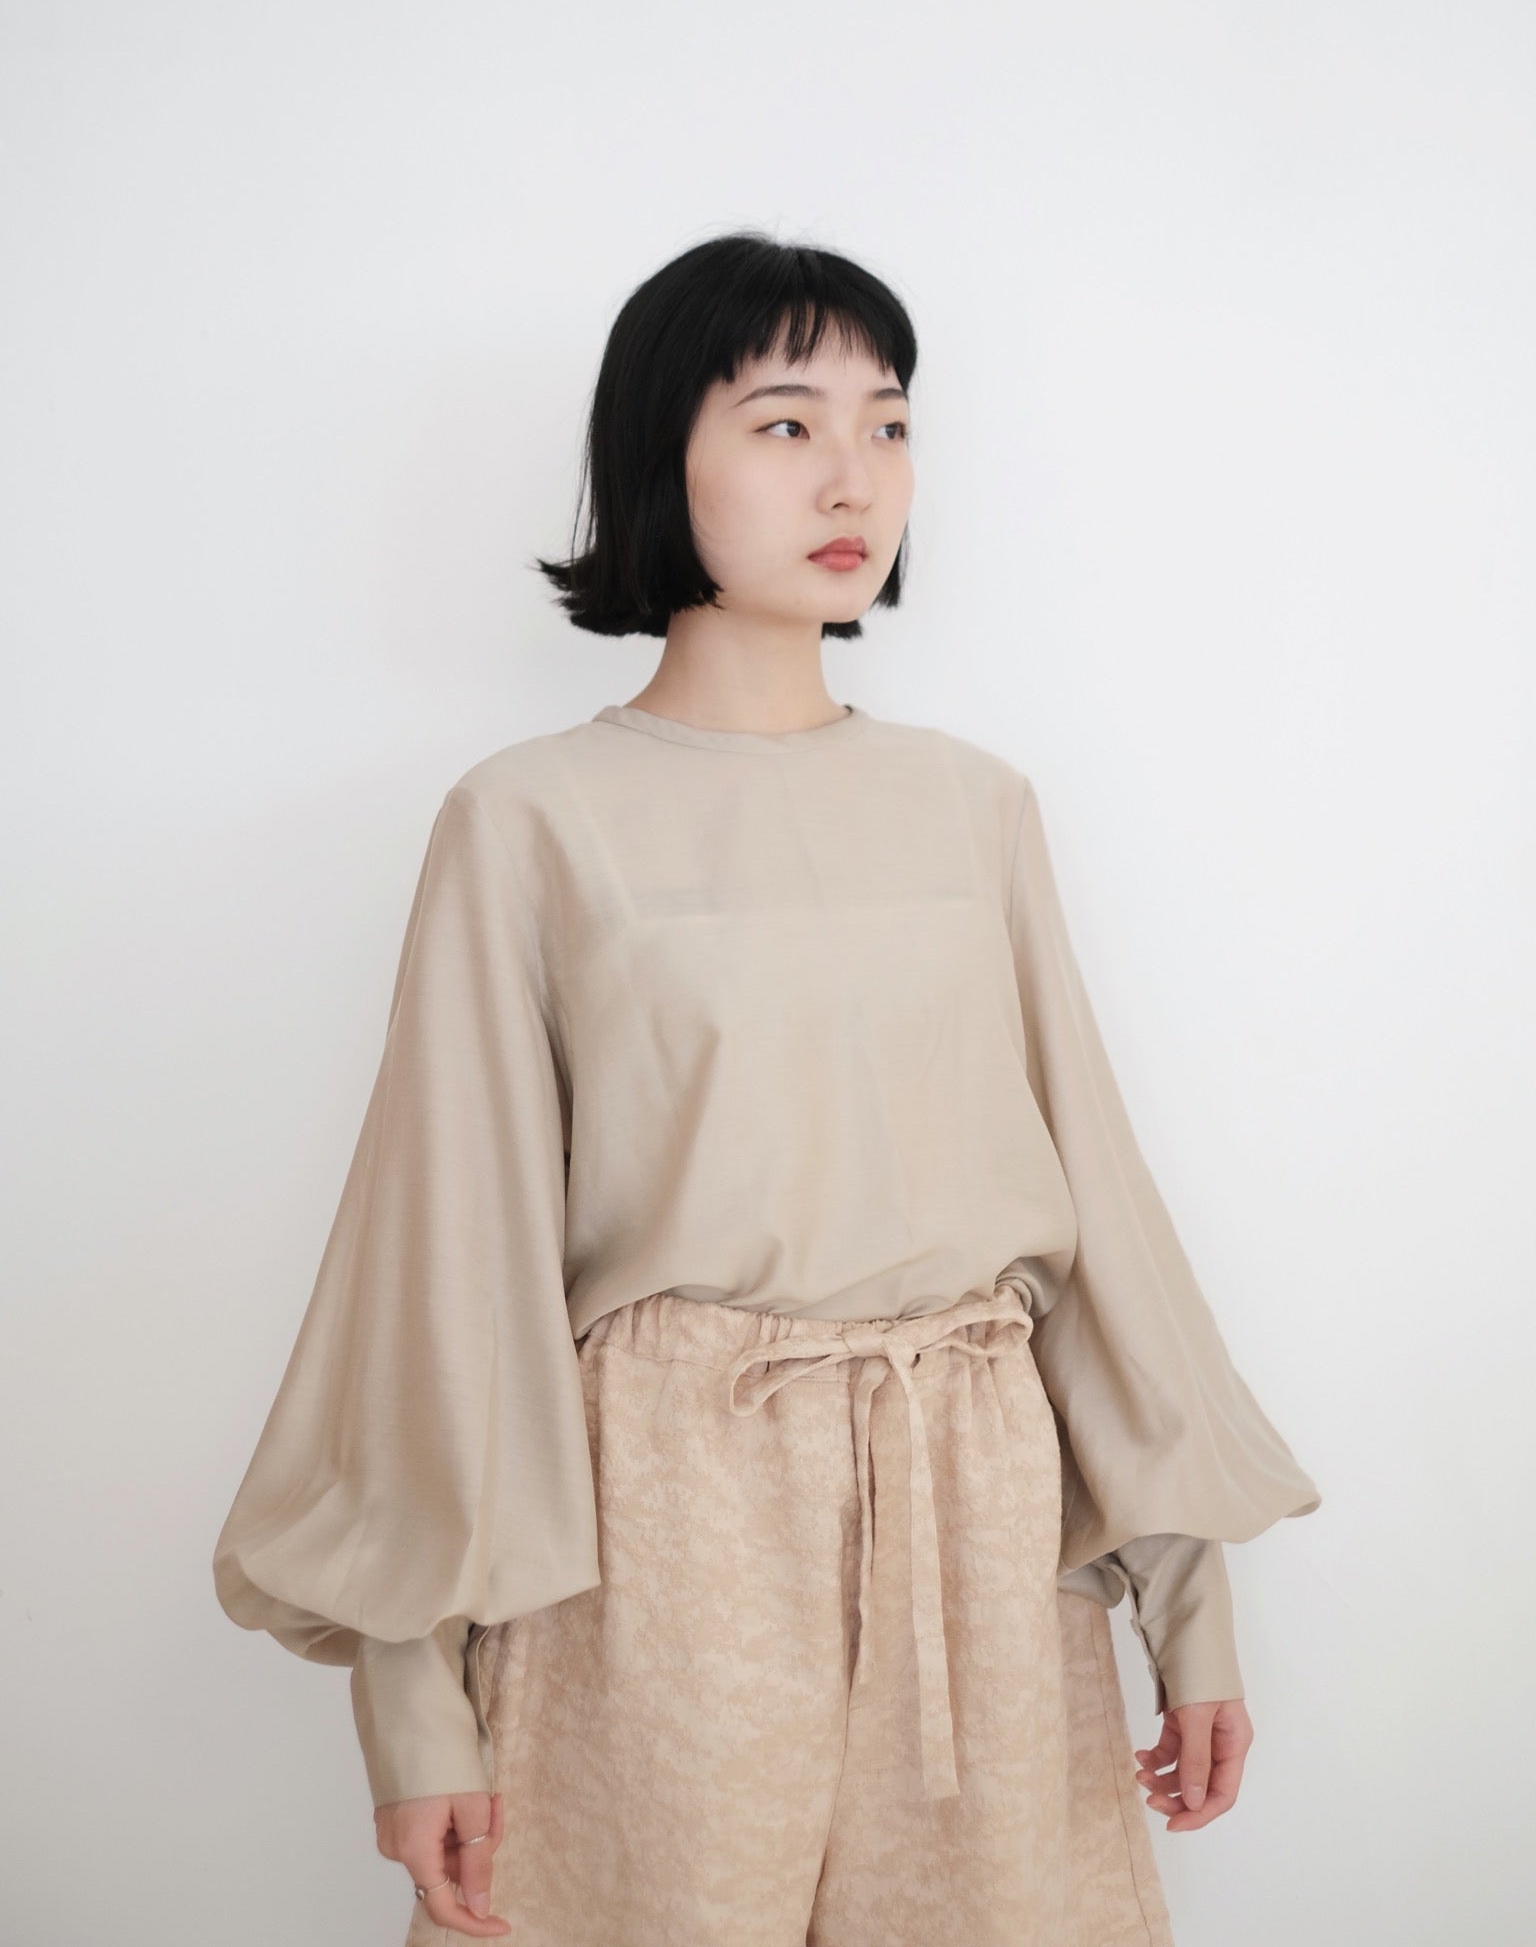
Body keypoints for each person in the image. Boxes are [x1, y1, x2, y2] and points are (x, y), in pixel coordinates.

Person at [212, 234, 1321, 1946]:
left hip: (978, 1520)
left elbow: (1093, 1217)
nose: (853, 477)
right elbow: (449, 1265)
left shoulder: (973, 807)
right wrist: (416, 1706)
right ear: (661, 454)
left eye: (890, 425)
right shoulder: (530, 821)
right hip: (664, 1530)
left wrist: (1191, 1611)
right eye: (788, 423)